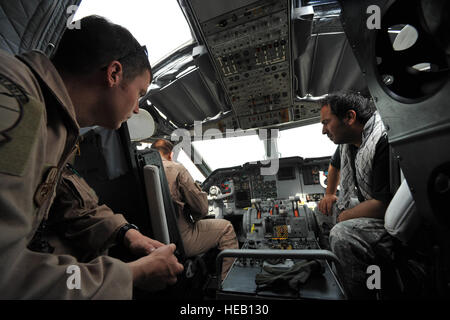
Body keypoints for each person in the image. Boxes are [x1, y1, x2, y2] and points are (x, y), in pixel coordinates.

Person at [0, 15, 183, 299]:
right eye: (139, 94)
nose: (136, 109)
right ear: (114, 74)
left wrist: (126, 233)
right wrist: (133, 274)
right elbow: (6, 272)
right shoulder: (21, 103)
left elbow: (72, 202)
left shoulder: (56, 128)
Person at [317, 92, 393, 298]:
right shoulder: (348, 141)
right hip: (370, 202)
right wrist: (330, 194)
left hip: (391, 216)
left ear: (349, 117)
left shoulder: (382, 140)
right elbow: (334, 166)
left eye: (326, 123)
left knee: (342, 233)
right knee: (323, 211)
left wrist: (344, 217)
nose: (323, 131)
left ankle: (365, 292)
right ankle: (336, 266)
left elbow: (382, 205)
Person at [151, 139, 239, 280]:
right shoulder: (176, 169)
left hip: (149, 240)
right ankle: (227, 284)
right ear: (171, 155)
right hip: (179, 240)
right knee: (226, 228)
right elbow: (202, 208)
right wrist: (194, 216)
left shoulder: (141, 169)